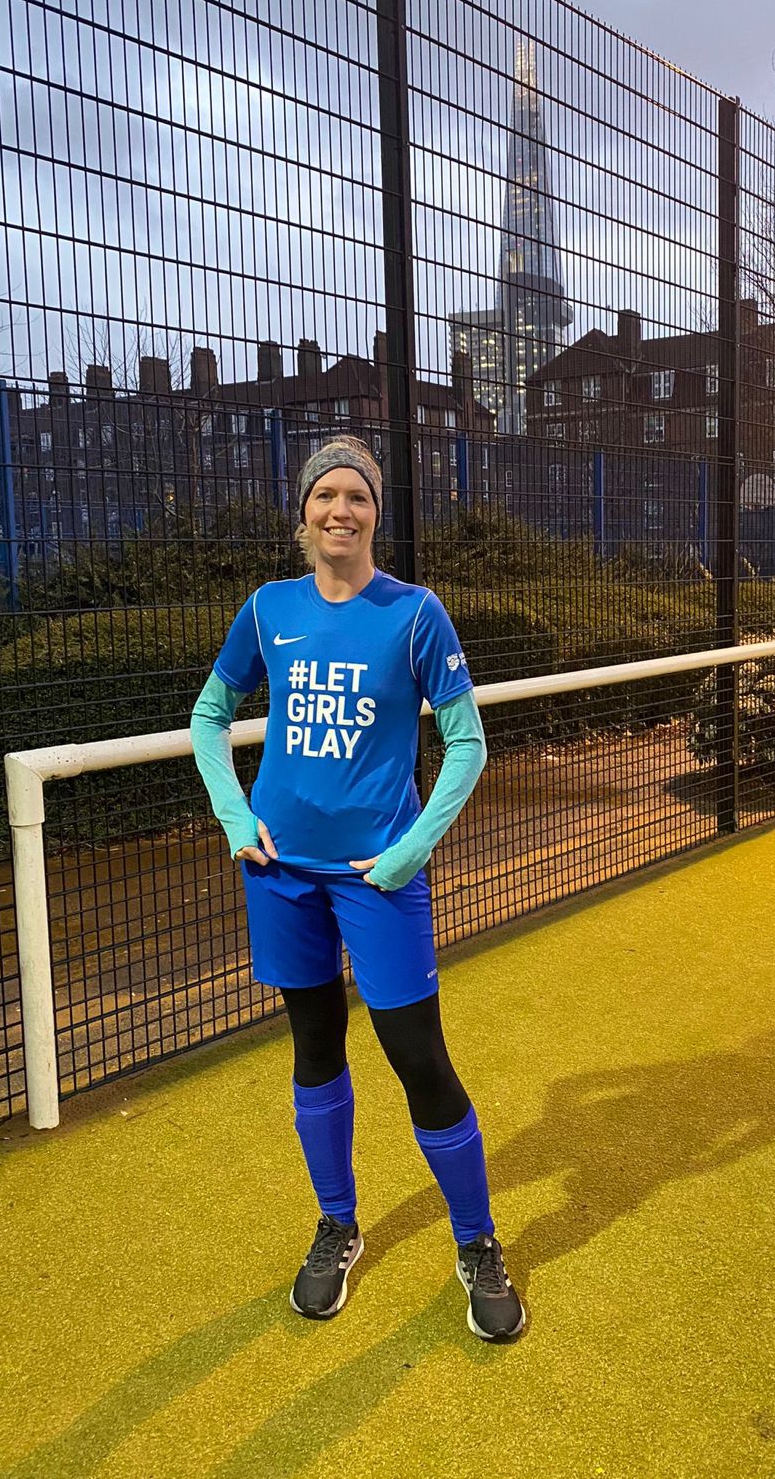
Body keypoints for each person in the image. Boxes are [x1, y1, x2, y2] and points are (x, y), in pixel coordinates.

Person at [190, 435, 524, 1343]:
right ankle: (338, 1225)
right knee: (314, 1048)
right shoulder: (266, 611)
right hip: (280, 874)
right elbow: (209, 715)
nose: (342, 510)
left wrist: (409, 851)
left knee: (418, 1058)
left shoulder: (414, 615)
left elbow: (467, 744)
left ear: (378, 512)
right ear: (302, 512)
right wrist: (234, 817)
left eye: (358, 497)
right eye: (326, 495)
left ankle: (477, 1241)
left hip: (378, 879)